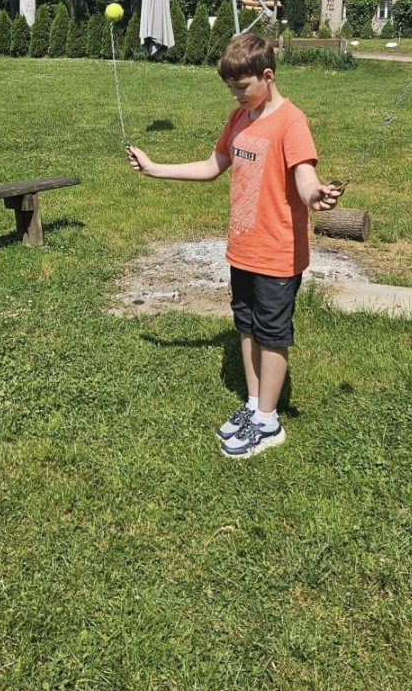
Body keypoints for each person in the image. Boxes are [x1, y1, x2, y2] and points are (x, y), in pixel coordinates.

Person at [127, 32, 340, 459]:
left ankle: (269, 420)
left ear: (267, 75)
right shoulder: (239, 118)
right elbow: (212, 166)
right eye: (230, 88)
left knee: (273, 333)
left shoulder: (291, 121)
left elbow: (304, 176)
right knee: (246, 326)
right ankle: (254, 403)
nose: (236, 94)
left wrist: (315, 195)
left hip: (277, 251)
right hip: (242, 248)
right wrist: (154, 169)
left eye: (242, 87)